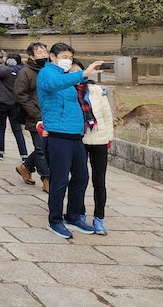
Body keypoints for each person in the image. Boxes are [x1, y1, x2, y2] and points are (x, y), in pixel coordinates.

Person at [37, 43, 104, 239]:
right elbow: (54, 84)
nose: (68, 60)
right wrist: (83, 73)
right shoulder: (47, 74)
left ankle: (74, 216)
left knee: (81, 177)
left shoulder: (67, 78)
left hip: (76, 135)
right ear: (52, 56)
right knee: (59, 181)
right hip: (58, 136)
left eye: (70, 57)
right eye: (64, 56)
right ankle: (55, 219)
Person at [72, 59, 114, 236]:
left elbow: (106, 115)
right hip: (79, 140)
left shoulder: (97, 91)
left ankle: (99, 218)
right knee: (79, 179)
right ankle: (79, 213)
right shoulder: (67, 91)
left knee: (99, 181)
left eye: (79, 71)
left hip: (99, 139)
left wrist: (109, 137)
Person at [14, 42, 50, 193]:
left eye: (44, 52)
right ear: (31, 56)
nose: (43, 54)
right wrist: (34, 112)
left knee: (46, 148)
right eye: (39, 52)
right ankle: (47, 179)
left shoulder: (49, 70)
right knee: (41, 149)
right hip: (35, 116)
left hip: (50, 114)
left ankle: (26, 166)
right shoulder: (26, 72)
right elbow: (19, 94)